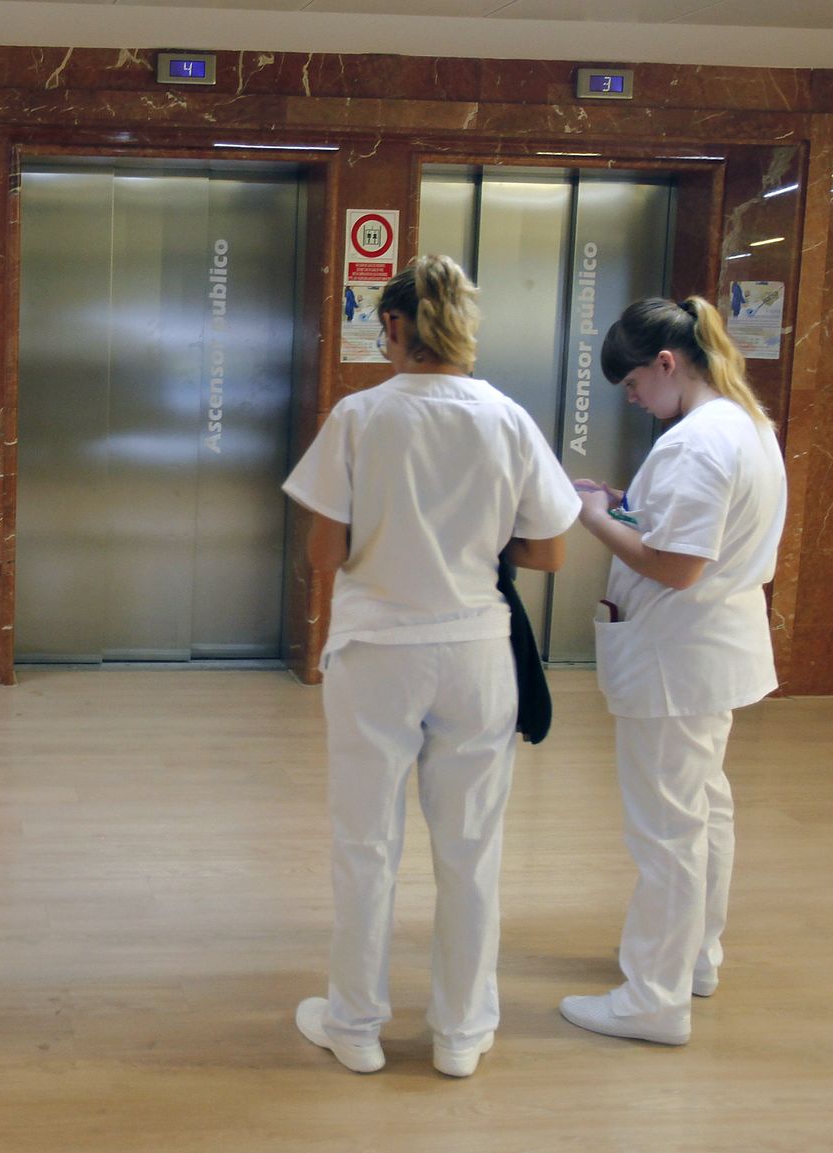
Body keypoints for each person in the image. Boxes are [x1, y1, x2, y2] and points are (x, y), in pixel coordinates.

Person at [283, 255, 580, 1078]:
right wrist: (475, 544)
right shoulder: (506, 416)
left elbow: (325, 550)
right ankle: (459, 1033)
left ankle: (355, 1026)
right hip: (478, 654)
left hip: (377, 650)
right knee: (472, 844)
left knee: (365, 844)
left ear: (396, 326)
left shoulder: (360, 415)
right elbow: (550, 547)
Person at [560, 297, 786, 1046]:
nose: (633, 401)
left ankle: (652, 997)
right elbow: (684, 536)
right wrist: (628, 507)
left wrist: (594, 520)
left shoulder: (697, 443)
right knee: (701, 809)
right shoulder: (747, 426)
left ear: (667, 363)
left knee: (666, 829)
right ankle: (693, 956)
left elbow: (680, 567)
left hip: (675, 657)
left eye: (633, 385)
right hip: (706, 654)